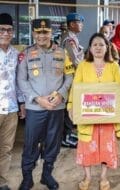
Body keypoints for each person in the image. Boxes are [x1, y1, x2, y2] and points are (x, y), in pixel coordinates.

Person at [17, 18, 74, 190]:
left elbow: (70, 76)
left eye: (45, 32)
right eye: (38, 32)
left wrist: (61, 95)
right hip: (35, 108)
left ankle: (46, 174)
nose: (42, 36)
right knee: (31, 143)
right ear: (33, 33)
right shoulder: (26, 54)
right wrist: (37, 98)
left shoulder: (62, 53)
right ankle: (27, 177)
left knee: (53, 142)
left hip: (56, 107)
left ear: (51, 33)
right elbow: (21, 80)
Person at [67, 33, 120, 190]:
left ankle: (103, 177)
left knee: (106, 147)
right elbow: (75, 89)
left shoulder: (114, 66)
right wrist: (71, 106)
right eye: (95, 45)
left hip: (108, 117)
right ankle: (87, 177)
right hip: (88, 117)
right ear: (90, 48)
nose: (99, 47)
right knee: (86, 147)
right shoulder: (83, 66)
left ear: (107, 47)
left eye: (102, 44)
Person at [0, 13, 25, 190]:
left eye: (9, 30)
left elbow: (18, 82)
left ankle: (1, 181)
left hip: (10, 109)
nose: (6, 33)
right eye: (2, 29)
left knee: (6, 148)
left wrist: (22, 104)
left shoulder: (16, 54)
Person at [61, 12, 84, 148]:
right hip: (68, 77)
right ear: (71, 24)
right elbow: (75, 60)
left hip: (70, 76)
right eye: (79, 22)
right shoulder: (69, 39)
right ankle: (66, 136)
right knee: (68, 106)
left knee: (70, 105)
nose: (81, 25)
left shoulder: (72, 37)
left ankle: (68, 133)